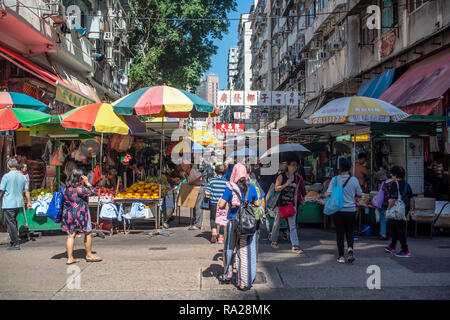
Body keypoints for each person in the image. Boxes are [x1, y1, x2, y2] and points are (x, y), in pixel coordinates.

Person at [218, 163, 259, 290]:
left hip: (232, 222)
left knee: (229, 249)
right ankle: (243, 282)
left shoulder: (230, 188)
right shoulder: (251, 188)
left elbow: (221, 205)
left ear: (234, 174)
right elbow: (257, 204)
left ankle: (227, 275)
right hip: (246, 224)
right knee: (244, 252)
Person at [62, 169, 102, 265]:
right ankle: (88, 254)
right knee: (88, 232)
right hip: (81, 213)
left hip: (68, 214)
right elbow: (92, 192)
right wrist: (87, 182)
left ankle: (70, 258)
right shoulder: (79, 189)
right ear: (80, 178)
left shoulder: (65, 188)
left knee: (71, 235)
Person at [327, 158, 362, 263]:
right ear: (349, 167)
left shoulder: (335, 179)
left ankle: (341, 256)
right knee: (350, 231)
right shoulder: (354, 180)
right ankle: (350, 248)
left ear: (339, 167)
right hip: (351, 210)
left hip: (338, 210)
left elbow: (328, 193)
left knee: (340, 233)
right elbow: (360, 194)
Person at [270, 159, 306, 254]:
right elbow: (276, 188)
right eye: (293, 165)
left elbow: (295, 193)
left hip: (290, 205)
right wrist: (286, 184)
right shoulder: (281, 177)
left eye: (296, 165)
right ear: (288, 166)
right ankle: (273, 241)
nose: (295, 167)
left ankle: (295, 245)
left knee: (292, 226)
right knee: (277, 224)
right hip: (280, 204)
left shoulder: (297, 178)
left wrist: (294, 205)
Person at [0, 158, 32, 250]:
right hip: (18, 203)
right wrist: (29, 202)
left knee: (11, 224)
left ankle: (15, 243)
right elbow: (26, 191)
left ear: (8, 166)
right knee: (13, 223)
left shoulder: (6, 176)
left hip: (9, 204)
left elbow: (1, 191)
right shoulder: (22, 176)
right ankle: (13, 241)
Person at [385, 165, 413, 258]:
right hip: (405, 208)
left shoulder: (394, 184)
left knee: (400, 229)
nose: (391, 176)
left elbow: (393, 199)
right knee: (397, 227)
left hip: (397, 209)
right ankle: (392, 246)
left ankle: (405, 250)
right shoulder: (406, 184)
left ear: (395, 175)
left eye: (392, 174)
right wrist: (411, 210)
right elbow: (411, 198)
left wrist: (388, 210)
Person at [205, 164, 228, 243]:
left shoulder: (212, 180)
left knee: (213, 218)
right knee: (222, 219)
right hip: (223, 203)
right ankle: (221, 237)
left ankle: (214, 233)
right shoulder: (226, 182)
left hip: (213, 203)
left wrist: (212, 193)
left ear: (215, 171)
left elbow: (207, 192)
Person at [180, 163, 204, 230]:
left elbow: (200, 177)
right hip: (194, 189)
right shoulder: (187, 173)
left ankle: (198, 224)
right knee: (194, 206)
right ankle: (195, 222)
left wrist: (192, 182)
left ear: (188, 166)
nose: (182, 168)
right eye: (182, 166)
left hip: (199, 189)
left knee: (198, 206)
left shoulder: (194, 171)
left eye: (184, 166)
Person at [378, 174, 393, 241]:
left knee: (383, 219)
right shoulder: (395, 183)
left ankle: (383, 234)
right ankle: (392, 234)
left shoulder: (383, 183)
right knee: (393, 218)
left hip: (384, 202)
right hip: (392, 203)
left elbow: (380, 193)